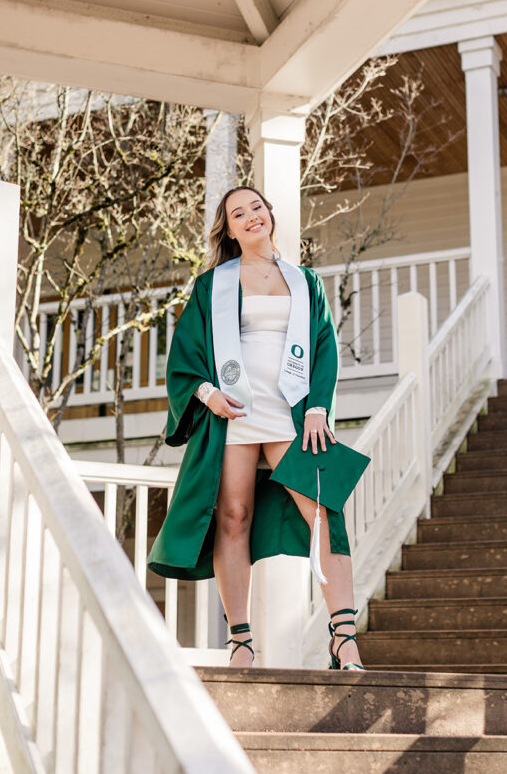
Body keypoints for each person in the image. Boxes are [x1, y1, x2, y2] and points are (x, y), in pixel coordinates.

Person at [147, 185, 364, 670]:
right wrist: (208, 395)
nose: (250, 217)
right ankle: (241, 643)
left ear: (270, 214)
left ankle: (344, 638)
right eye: (237, 214)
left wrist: (318, 408)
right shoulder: (212, 285)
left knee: (323, 511)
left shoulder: (305, 281)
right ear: (228, 229)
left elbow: (324, 347)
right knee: (233, 516)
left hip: (291, 411)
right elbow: (184, 356)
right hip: (237, 411)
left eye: (256, 208)